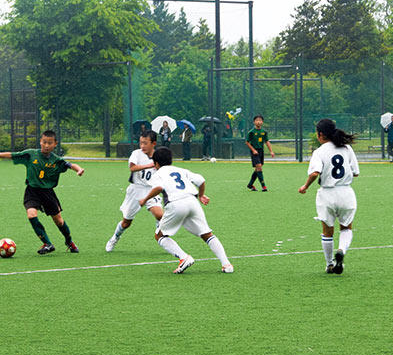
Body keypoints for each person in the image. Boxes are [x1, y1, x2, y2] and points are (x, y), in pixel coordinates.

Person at [0, 130, 84, 255]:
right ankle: (48, 244)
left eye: (50, 143)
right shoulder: (31, 154)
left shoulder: (56, 160)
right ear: (40, 142)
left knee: (59, 221)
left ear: (55, 144)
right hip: (32, 191)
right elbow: (11, 155)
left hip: (48, 193)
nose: (46, 145)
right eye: (44, 142)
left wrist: (79, 170)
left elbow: (70, 165)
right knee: (31, 215)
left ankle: (69, 242)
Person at [138, 146, 233, 274]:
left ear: (156, 164)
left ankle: (184, 258)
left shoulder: (158, 174)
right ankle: (226, 264)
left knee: (159, 235)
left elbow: (159, 188)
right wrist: (201, 195)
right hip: (192, 202)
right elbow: (201, 180)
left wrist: (145, 199)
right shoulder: (181, 170)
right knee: (207, 234)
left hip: (176, 204)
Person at [298, 119, 359, 275]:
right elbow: (355, 172)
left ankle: (330, 264)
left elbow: (315, 173)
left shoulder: (319, 152)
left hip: (327, 194)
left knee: (327, 231)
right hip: (346, 193)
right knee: (346, 227)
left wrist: (305, 186)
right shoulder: (347, 148)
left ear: (320, 134)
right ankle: (341, 250)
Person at [105, 130, 164, 252]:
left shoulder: (159, 156)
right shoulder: (136, 154)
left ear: (153, 143)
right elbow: (132, 168)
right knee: (126, 222)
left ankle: (160, 234)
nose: (142, 146)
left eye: (145, 143)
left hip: (151, 190)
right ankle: (115, 237)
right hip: (136, 190)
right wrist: (149, 165)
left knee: (160, 215)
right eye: (141, 143)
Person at [245, 114, 275, 191]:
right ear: (254, 122)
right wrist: (253, 150)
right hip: (254, 152)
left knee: (257, 169)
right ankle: (263, 186)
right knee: (259, 167)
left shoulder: (264, 132)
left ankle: (250, 184)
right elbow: (247, 142)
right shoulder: (251, 132)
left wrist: (271, 151)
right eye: (257, 120)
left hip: (261, 151)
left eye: (260, 120)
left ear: (262, 122)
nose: (259, 122)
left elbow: (267, 141)